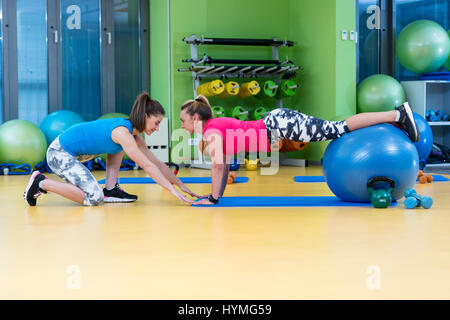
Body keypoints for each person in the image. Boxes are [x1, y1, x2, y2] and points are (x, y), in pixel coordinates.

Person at [180, 95, 419, 206]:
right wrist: (215, 197)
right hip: (277, 123)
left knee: (337, 128)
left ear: (196, 118)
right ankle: (395, 117)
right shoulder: (213, 128)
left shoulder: (211, 132)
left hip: (278, 125)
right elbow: (222, 168)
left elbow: (218, 166)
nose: (182, 126)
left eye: (183, 121)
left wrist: (211, 199)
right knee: (337, 129)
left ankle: (396, 114)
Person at [24, 93, 199, 207]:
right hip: (58, 154)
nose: (157, 128)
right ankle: (40, 182)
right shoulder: (122, 132)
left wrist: (181, 185)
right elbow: (147, 166)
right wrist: (172, 190)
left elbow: (156, 163)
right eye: (157, 122)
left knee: (116, 149)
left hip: (73, 155)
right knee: (93, 197)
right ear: (145, 116)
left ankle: (110, 188)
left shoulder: (132, 135)